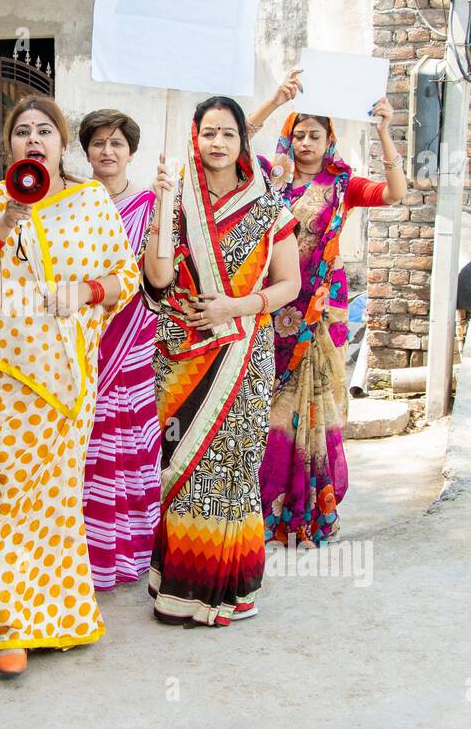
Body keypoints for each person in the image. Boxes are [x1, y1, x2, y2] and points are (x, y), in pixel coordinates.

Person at [0, 96, 139, 675]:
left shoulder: (90, 201)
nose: (34, 139)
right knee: (10, 503)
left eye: (45, 131)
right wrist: (5, 223)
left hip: (69, 381)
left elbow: (124, 275)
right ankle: (10, 627)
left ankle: (63, 619)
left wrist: (86, 293)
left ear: (60, 144)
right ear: (11, 146)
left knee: (57, 504)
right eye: (23, 131)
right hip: (5, 381)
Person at [141, 95, 301, 626]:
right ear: (194, 136)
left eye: (228, 133)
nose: (217, 143)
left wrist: (237, 306)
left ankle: (228, 588)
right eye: (209, 132)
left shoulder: (268, 206)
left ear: (241, 141)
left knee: (233, 465)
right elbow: (159, 280)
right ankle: (180, 584)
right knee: (184, 465)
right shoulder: (175, 197)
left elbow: (289, 284)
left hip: (241, 351)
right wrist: (163, 205)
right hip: (183, 352)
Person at [249, 72, 410, 547]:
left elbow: (395, 193)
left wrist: (384, 129)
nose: (304, 143)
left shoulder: (342, 185)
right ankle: (272, 510)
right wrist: (275, 100)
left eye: (314, 135)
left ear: (329, 140)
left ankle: (315, 511)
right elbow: (234, 150)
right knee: (272, 408)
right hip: (276, 303)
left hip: (323, 311)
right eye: (297, 134)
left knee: (317, 409)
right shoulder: (268, 179)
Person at [75, 109, 162, 589]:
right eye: (98, 144)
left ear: (131, 151)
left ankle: (130, 548)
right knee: (87, 444)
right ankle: (85, 552)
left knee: (126, 439)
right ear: (85, 150)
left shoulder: (151, 205)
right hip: (83, 333)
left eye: (116, 144)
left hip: (132, 335)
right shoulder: (73, 201)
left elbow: (157, 275)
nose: (107, 152)